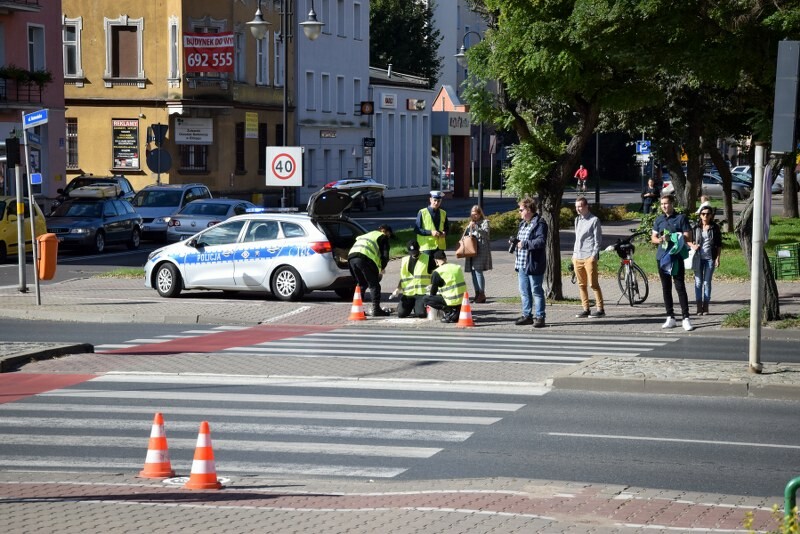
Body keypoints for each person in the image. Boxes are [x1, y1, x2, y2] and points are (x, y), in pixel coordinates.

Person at [651, 195, 694, 331]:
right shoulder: (659, 220)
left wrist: (673, 236)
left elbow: (688, 236)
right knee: (666, 287)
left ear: (672, 204)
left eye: (666, 203)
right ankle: (670, 317)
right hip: (662, 258)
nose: (664, 206)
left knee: (680, 286)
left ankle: (685, 318)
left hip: (676, 257)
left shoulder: (680, 218)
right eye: (662, 204)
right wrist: (661, 240)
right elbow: (653, 237)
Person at [511, 197, 548, 328]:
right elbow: (520, 241)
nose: (520, 212)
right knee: (524, 291)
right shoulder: (523, 224)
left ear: (528, 209)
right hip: (521, 263)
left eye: (521, 210)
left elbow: (541, 242)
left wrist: (524, 244)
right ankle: (527, 315)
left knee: (536, 290)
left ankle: (540, 317)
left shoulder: (540, 223)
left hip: (533, 263)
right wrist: (515, 242)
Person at [347, 224, 393, 317]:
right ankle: (376, 310)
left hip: (351, 258)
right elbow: (385, 256)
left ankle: (357, 309)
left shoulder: (367, 235)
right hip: (364, 258)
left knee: (361, 284)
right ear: (386, 232)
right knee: (374, 285)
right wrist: (382, 268)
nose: (388, 237)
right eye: (389, 235)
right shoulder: (383, 237)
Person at [572, 197, 605, 318]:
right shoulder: (577, 220)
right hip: (578, 256)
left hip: (589, 256)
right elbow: (577, 239)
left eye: (580, 206)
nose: (578, 209)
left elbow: (598, 241)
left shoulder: (594, 220)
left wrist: (593, 256)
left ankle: (600, 309)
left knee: (593, 284)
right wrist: (574, 255)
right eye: (576, 207)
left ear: (586, 206)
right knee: (581, 285)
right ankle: (585, 309)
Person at [690, 205, 722, 316]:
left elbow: (718, 244)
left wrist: (717, 258)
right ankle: (699, 307)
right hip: (698, 258)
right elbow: (689, 240)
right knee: (698, 282)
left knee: (707, 282)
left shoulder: (714, 228)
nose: (705, 216)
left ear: (711, 215)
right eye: (703, 214)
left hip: (709, 259)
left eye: (708, 214)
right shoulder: (695, 227)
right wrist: (693, 245)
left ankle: (706, 307)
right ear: (700, 215)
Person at [423, 250, 467, 323]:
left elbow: (433, 292)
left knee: (426, 299)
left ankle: (449, 311)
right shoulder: (457, 267)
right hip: (462, 300)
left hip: (451, 301)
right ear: (445, 259)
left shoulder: (438, 272)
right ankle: (456, 310)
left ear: (436, 261)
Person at [393, 239, 431, 318]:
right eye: (412, 252)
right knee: (401, 314)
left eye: (415, 251)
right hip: (408, 294)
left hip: (421, 293)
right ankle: (412, 306)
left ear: (419, 248)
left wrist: (432, 285)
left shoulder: (428, 259)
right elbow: (403, 278)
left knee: (421, 314)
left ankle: (418, 306)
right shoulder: (404, 260)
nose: (414, 254)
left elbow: (435, 275)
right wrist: (398, 289)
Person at [463, 205, 493, 303]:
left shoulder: (485, 222)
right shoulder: (471, 223)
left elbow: (485, 233)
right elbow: (467, 235)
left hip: (481, 250)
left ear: (480, 214)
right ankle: (476, 294)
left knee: (478, 271)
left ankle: (482, 294)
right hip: (471, 250)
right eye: (472, 214)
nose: (474, 216)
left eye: (476, 214)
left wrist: (476, 227)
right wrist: (469, 227)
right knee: (473, 272)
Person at [415, 190, 449, 273]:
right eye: (435, 200)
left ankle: (436, 285)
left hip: (439, 246)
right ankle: (427, 285)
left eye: (438, 201)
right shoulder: (422, 212)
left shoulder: (443, 213)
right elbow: (417, 229)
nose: (436, 203)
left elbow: (447, 228)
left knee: (441, 270)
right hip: (427, 247)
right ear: (430, 200)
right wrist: (431, 232)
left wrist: (444, 233)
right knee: (427, 270)